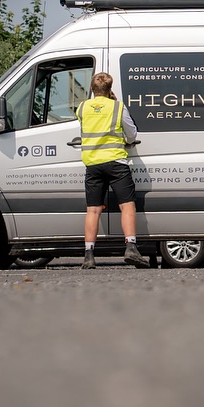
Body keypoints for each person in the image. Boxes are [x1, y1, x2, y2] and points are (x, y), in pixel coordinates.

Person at [79, 72, 146, 268]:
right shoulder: (117, 107)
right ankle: (131, 247)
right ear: (110, 89)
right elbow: (131, 133)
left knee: (92, 209)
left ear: (92, 89)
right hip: (116, 162)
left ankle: (89, 255)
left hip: (92, 163)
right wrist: (128, 141)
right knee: (127, 205)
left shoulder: (82, 107)